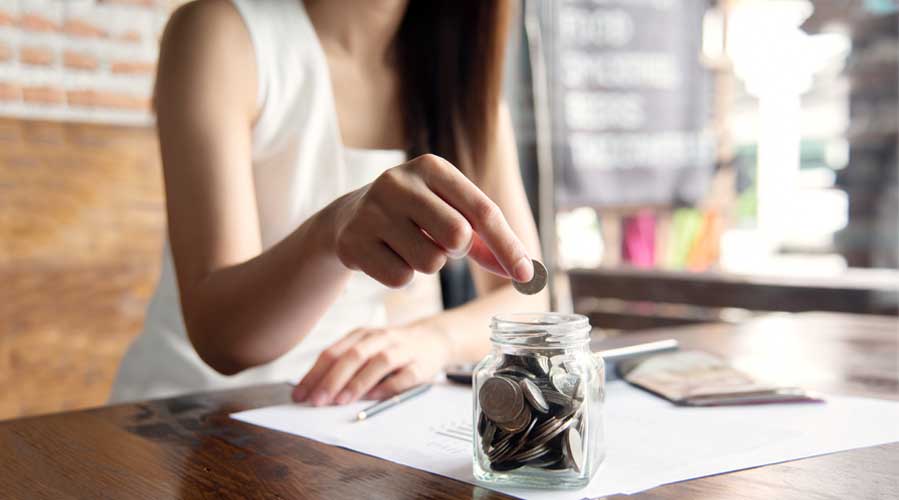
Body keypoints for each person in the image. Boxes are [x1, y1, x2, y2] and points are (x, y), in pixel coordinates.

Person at [110, 0, 547, 406]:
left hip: (367, 421)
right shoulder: (221, 34)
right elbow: (222, 340)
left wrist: (434, 341)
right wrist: (332, 234)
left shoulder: (462, 89)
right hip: (201, 417)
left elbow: (529, 298)